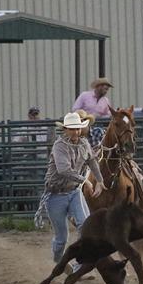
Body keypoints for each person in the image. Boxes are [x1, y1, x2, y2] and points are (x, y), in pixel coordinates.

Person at [40, 111, 106, 270]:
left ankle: (79, 265)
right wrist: (86, 181)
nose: (75, 131)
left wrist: (99, 180)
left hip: (74, 191)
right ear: (65, 129)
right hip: (55, 194)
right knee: (62, 237)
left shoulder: (84, 143)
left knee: (85, 226)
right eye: (72, 128)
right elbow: (64, 170)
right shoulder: (59, 146)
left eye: (77, 128)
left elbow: (91, 161)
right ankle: (58, 260)